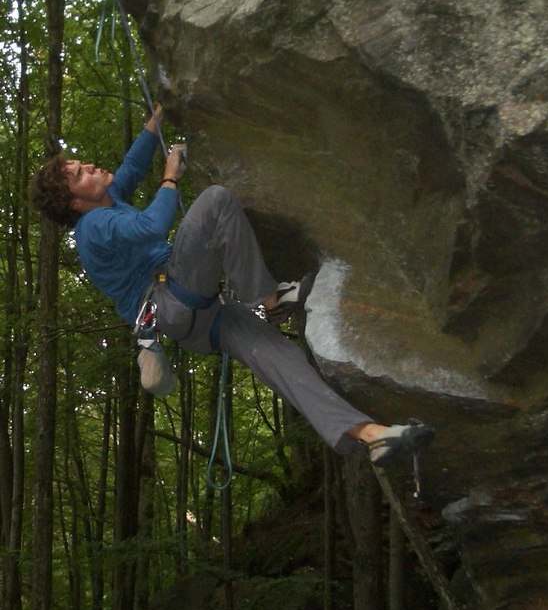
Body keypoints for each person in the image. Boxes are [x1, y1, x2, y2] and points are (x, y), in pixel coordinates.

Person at [30, 105, 434, 467]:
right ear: (74, 204)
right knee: (216, 201)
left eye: (83, 163)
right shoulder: (93, 227)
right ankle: (271, 298)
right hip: (171, 297)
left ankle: (371, 435)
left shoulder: (107, 202)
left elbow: (132, 165)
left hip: (198, 320)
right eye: (79, 173)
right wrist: (170, 176)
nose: (90, 166)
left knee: (280, 358)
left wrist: (158, 117)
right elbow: (151, 226)